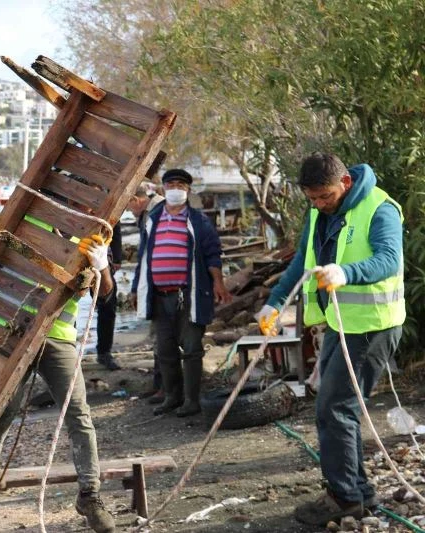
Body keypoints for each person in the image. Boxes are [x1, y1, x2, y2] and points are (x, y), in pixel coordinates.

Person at [255, 152, 404, 526]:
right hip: (341, 324)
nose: (320, 204)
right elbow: (300, 264)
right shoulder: (318, 214)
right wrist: (273, 305)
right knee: (339, 408)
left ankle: (345, 497)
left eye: (325, 197)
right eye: (313, 199)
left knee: (334, 408)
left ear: (346, 183)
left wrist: (346, 272)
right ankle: (357, 492)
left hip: (372, 325)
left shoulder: (379, 208)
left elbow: (389, 259)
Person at [0, 220, 117, 533]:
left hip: (58, 337)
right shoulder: (29, 221)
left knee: (79, 413)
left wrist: (102, 265)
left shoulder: (94, 236)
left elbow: (106, 295)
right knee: (7, 403)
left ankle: (90, 494)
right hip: (12, 329)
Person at [131, 169, 231, 417]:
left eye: (181, 185)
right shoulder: (152, 218)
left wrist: (218, 282)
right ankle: (172, 396)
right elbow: (143, 255)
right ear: (163, 189)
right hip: (159, 295)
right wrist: (136, 288)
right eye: (171, 184)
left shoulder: (198, 220)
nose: (176, 188)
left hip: (189, 294)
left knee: (192, 347)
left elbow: (212, 253)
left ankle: (191, 400)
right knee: (164, 348)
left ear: (188, 190)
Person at [126, 182, 164, 401]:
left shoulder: (157, 212)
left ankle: (165, 387)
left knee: (162, 337)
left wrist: (136, 288)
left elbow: (146, 256)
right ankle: (160, 384)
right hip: (154, 283)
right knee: (158, 335)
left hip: (162, 284)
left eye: (129, 207)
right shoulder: (150, 212)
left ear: (136, 200)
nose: (129, 211)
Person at [94, 222, 121, 370]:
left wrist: (117, 257)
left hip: (101, 252)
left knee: (108, 305)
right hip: (69, 246)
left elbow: (115, 224)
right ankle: (68, 352)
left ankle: (104, 352)